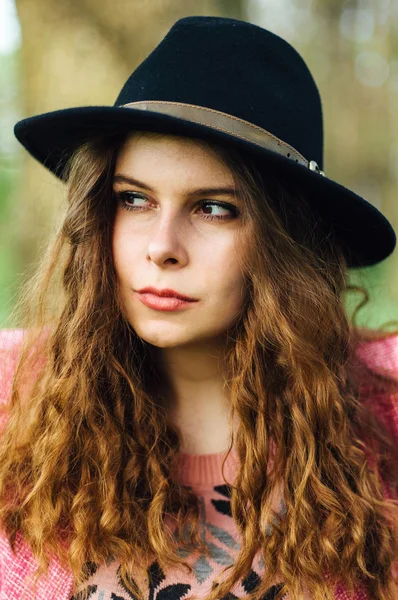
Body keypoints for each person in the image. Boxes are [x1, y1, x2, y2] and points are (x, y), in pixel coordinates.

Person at [0, 14, 397, 600]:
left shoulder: (382, 419)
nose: (161, 247)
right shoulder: (14, 404)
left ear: (286, 241)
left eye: (214, 208)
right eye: (133, 199)